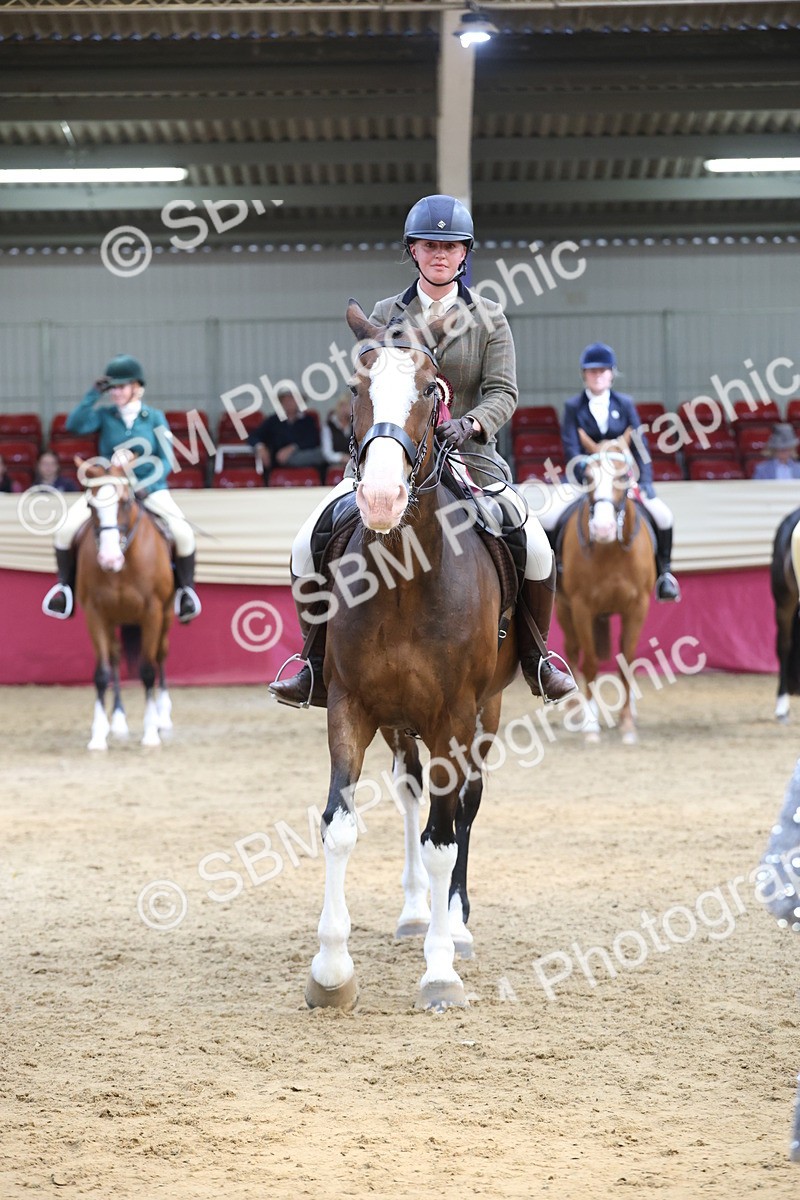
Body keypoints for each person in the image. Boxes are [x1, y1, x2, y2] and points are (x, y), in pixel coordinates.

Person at [269, 193, 577, 708]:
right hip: (392, 458)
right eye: (429, 245)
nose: (440, 254)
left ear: (464, 253)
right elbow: (371, 388)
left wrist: (472, 423)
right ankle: (314, 663)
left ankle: (537, 659)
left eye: (450, 246)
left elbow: (504, 392)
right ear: (412, 250)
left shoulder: (490, 317)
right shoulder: (385, 314)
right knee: (306, 543)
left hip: (470, 458)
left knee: (537, 546)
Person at [41, 354, 201, 623]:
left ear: (136, 387)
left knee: (183, 532)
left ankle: (186, 593)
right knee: (64, 530)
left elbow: (166, 460)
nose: (115, 392)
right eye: (112, 388)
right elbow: (73, 424)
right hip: (107, 489)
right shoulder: (105, 416)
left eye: (121, 386)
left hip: (150, 489)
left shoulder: (155, 418)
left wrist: (144, 484)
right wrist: (94, 393)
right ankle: (64, 591)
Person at [538, 342, 681, 602]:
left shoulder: (624, 403)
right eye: (592, 371)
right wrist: (586, 471)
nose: (598, 375)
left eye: (603, 370)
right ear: (584, 374)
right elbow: (570, 447)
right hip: (586, 477)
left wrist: (646, 480)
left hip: (620, 478)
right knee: (548, 517)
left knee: (664, 515)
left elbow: (640, 445)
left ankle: (665, 575)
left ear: (612, 374)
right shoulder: (573, 406)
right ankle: (553, 574)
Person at [247, 389, 325, 482]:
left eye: (292, 400)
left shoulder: (308, 420)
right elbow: (254, 436)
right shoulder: (273, 420)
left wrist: (292, 448)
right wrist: (260, 447)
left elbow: (313, 440)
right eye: (286, 400)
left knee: (321, 453)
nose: (289, 403)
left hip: (305, 458)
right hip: (279, 462)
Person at [321, 394, 352, 467]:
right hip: (335, 465)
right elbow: (327, 453)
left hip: (354, 465)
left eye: (348, 406)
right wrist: (341, 458)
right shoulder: (328, 426)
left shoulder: (355, 425)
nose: (345, 409)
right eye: (343, 406)